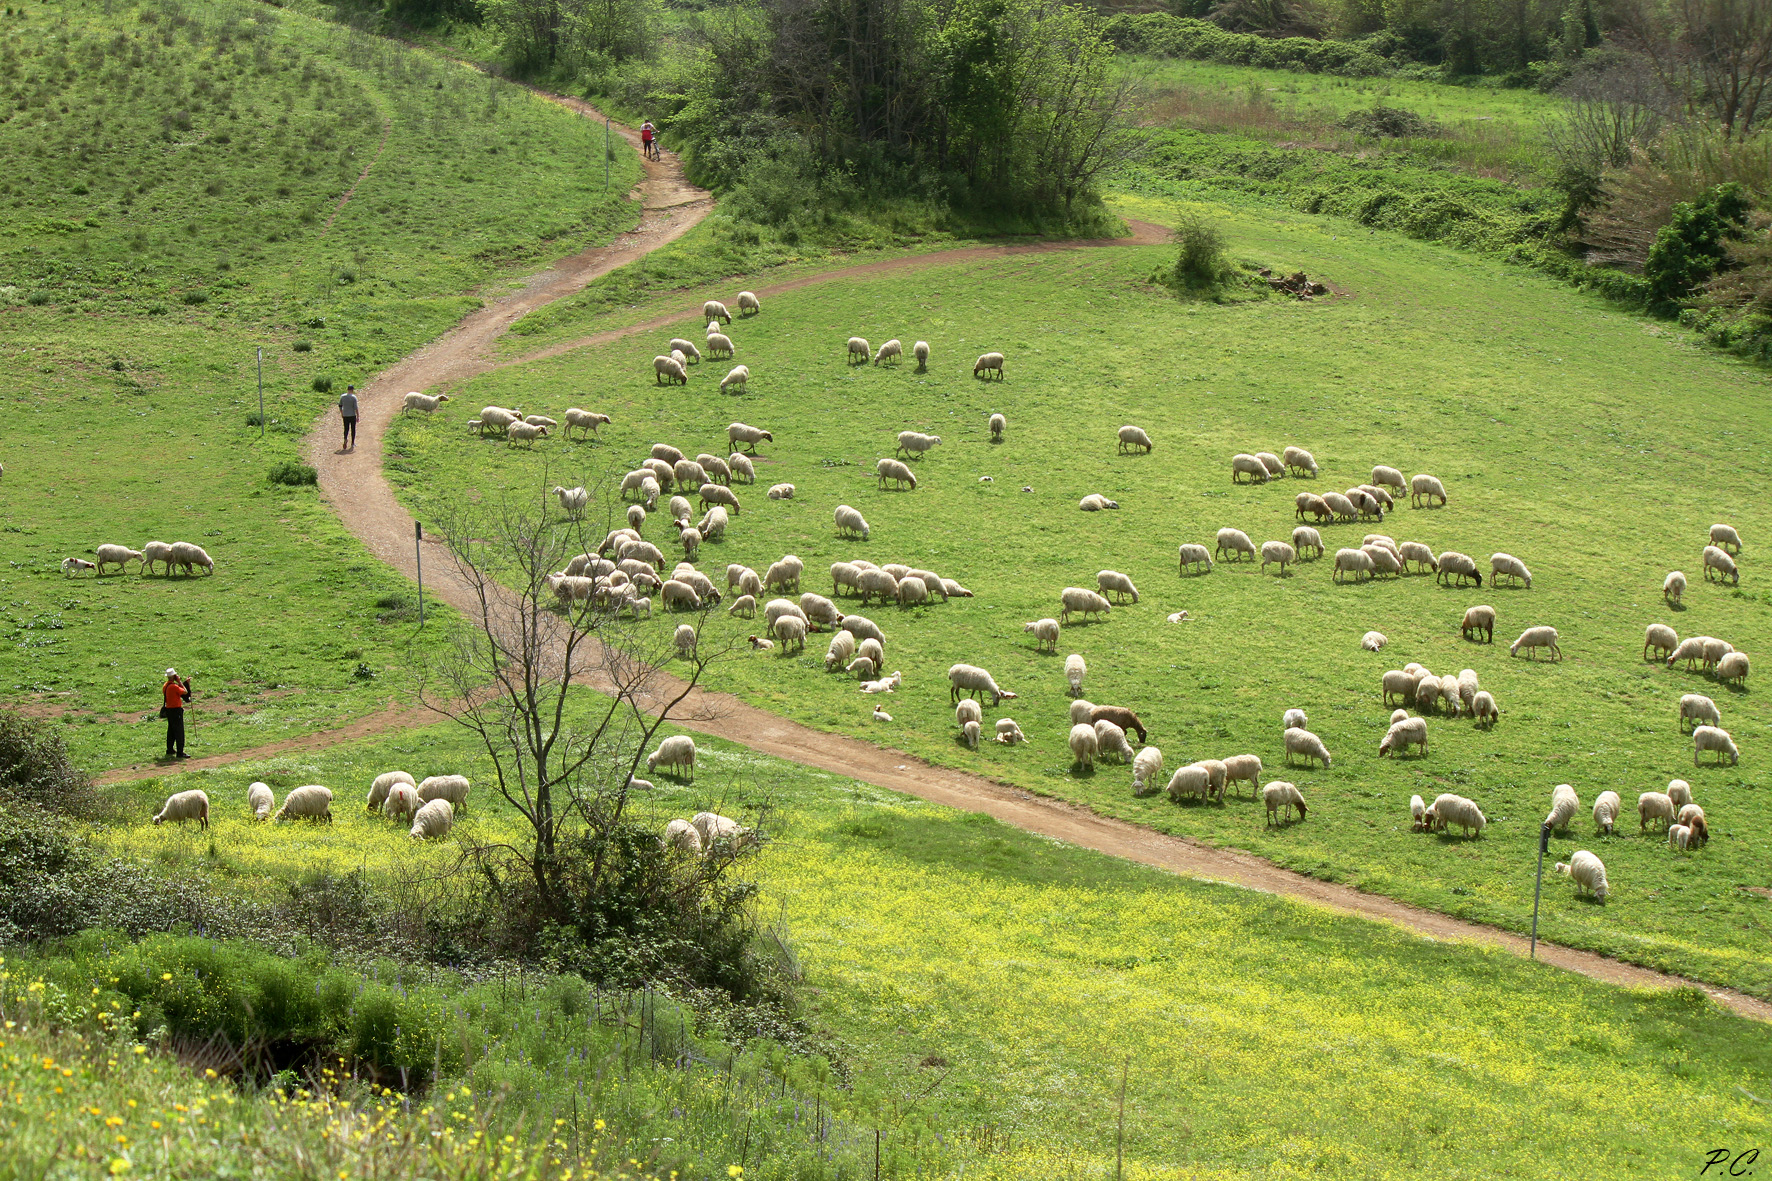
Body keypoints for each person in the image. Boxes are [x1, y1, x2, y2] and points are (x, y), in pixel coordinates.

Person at [161, 667, 192, 760]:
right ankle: (180, 752)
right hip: (176, 710)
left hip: (169, 710)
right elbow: (185, 691)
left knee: (171, 731)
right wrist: (180, 681)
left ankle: (170, 749)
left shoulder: (165, 685)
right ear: (174, 676)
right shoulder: (174, 686)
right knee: (179, 732)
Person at [339, 384, 359, 451]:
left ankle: (345, 438)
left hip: (345, 415)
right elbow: (355, 407)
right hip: (352, 415)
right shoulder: (353, 397)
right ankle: (352, 443)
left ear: (347, 389)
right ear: (352, 390)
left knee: (346, 428)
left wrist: (342, 413)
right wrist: (358, 416)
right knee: (353, 429)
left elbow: (340, 405)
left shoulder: (342, 396)